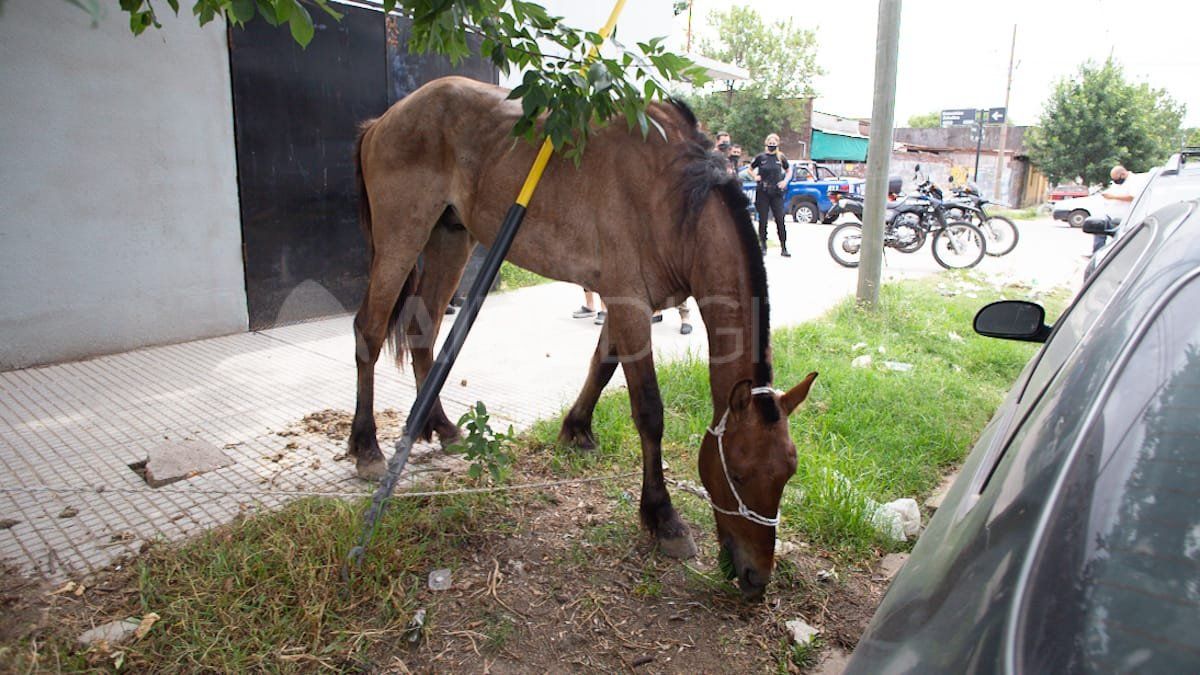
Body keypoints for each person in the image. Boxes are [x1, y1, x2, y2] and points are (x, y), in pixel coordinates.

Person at [748, 133, 792, 256]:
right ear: (766, 143)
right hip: (763, 191)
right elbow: (749, 169)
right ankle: (763, 246)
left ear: (777, 144)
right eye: (770, 143)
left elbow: (789, 171)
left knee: (780, 219)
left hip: (776, 192)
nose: (772, 145)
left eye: (774, 143)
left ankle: (783, 247)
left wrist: (785, 181)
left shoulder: (780, 157)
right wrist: (755, 176)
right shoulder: (761, 157)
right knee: (763, 220)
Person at [1096, 164, 1146, 252]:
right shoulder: (1119, 183)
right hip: (1111, 214)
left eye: (1117, 179)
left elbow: (1133, 197)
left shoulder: (1135, 180)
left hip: (1124, 217)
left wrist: (1113, 197)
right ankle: (1096, 253)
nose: (1116, 181)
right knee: (1098, 230)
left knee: (1119, 240)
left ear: (1123, 174)